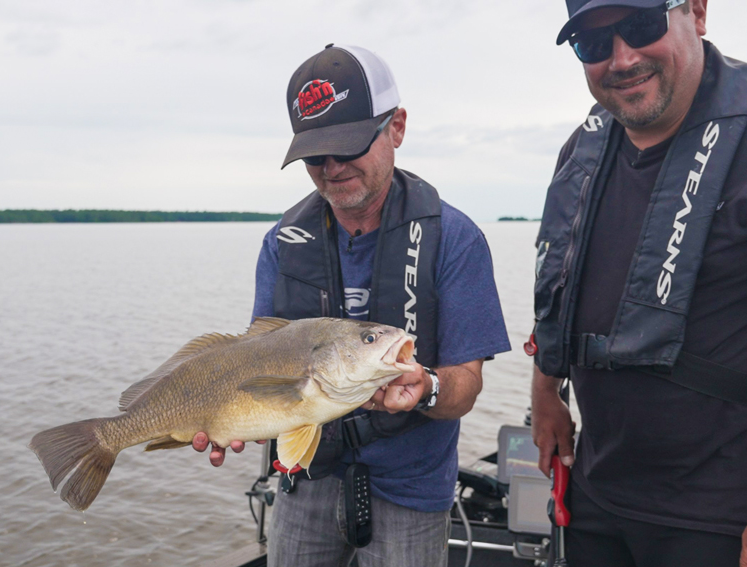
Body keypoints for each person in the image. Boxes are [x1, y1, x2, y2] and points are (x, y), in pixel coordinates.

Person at [193, 44, 511, 567]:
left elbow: (465, 387)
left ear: (397, 128)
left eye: (349, 145)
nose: (332, 167)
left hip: (413, 488)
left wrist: (427, 387)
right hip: (307, 480)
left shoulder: (456, 239)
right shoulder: (281, 242)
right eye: (316, 155)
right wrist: (229, 414)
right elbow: (254, 356)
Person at [530, 1, 747, 566]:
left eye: (640, 26)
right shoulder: (579, 153)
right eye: (593, 42)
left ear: (696, 11)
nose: (622, 58)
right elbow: (559, 294)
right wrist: (545, 394)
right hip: (597, 495)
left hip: (730, 517)